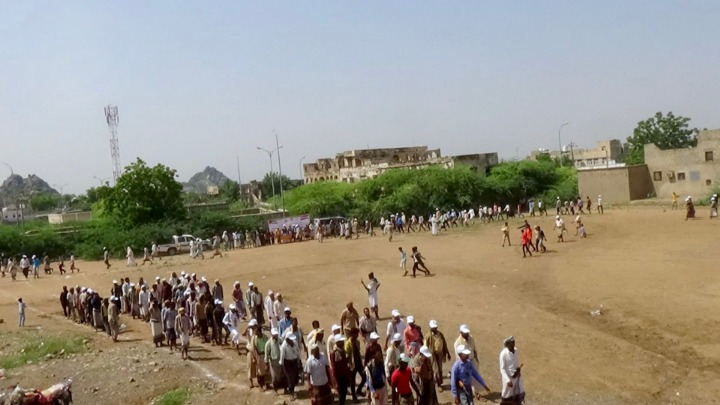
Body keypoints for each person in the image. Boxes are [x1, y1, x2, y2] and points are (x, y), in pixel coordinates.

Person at [425, 320, 451, 391]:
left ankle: (440, 382)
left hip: (440, 354)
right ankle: (438, 385)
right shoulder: (428, 336)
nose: (434, 329)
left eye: (435, 327)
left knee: (440, 369)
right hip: (432, 355)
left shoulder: (440, 334)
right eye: (433, 328)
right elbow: (425, 346)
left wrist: (448, 353)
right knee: (436, 370)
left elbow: (444, 344)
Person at [500, 336, 525, 405]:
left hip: (516, 376)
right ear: (508, 344)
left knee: (519, 392)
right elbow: (502, 368)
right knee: (506, 396)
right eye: (512, 342)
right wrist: (507, 380)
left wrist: (518, 371)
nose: (514, 344)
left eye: (514, 342)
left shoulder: (516, 351)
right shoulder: (503, 354)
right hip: (509, 378)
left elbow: (516, 363)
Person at [331, 334, 351, 405]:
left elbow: (345, 363)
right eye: (341, 341)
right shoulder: (334, 353)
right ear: (337, 342)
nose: (343, 342)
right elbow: (334, 367)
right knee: (341, 394)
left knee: (344, 392)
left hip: (344, 375)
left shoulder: (343, 351)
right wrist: (336, 381)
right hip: (339, 377)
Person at [280, 333, 301, 400]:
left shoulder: (295, 343)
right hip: (287, 364)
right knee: (289, 379)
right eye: (290, 340)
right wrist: (282, 368)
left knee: (294, 378)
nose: (292, 341)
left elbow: (298, 352)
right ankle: (291, 393)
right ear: (287, 339)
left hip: (294, 362)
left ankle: (292, 390)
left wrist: (299, 360)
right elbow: (282, 358)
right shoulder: (283, 346)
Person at [265, 328, 285, 394]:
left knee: (282, 376)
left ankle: (283, 388)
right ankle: (275, 389)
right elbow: (266, 354)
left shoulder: (281, 340)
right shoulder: (268, 343)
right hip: (273, 363)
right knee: (274, 377)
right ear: (271, 334)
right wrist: (266, 364)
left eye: (276, 334)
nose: (275, 335)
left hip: (281, 361)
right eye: (274, 334)